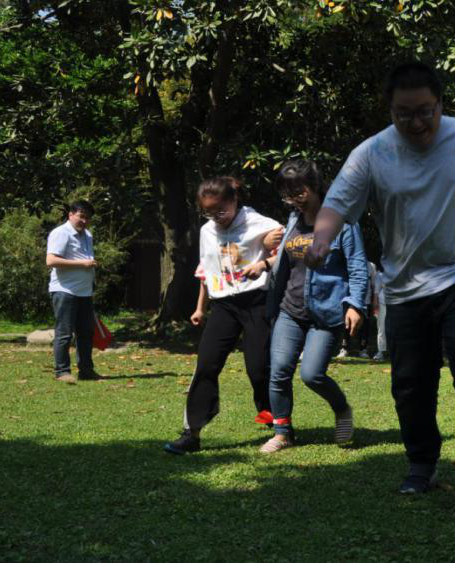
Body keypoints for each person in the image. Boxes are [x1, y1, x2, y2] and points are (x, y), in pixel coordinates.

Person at [305, 61, 455, 502]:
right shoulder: (372, 152)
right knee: (411, 381)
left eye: (426, 111)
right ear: (389, 110)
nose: (417, 122)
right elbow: (336, 204)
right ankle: (421, 464)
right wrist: (322, 239)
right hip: (405, 284)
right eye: (404, 113)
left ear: (441, 103)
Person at [164, 177, 284, 454]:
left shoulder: (260, 224)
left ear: (234, 200)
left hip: (256, 302)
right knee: (206, 365)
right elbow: (207, 272)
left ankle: (275, 418)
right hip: (223, 306)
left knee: (258, 368)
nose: (216, 217)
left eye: (220, 210)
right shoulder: (207, 231)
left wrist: (267, 256)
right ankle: (192, 433)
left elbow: (294, 250)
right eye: (208, 212)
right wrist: (201, 307)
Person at [259, 160, 367, 453]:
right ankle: (282, 433)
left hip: (327, 312)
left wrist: (355, 305)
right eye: (287, 193)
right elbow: (284, 262)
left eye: (299, 191)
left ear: (316, 186)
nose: (294, 198)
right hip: (290, 308)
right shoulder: (293, 219)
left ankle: (342, 408)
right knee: (278, 371)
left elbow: (358, 267)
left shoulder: (344, 222)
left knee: (311, 374)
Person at [46, 200, 99, 384]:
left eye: (88, 218)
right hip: (64, 291)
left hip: (84, 292)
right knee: (64, 333)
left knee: (86, 333)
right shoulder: (60, 233)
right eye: (81, 216)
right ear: (70, 214)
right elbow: (51, 261)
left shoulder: (87, 235)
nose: (84, 221)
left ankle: (86, 371)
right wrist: (82, 264)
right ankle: (62, 372)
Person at [372, 264, 388, 361]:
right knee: (381, 328)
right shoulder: (380, 274)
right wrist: (375, 305)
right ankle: (380, 352)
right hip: (383, 303)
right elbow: (376, 291)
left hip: (397, 303)